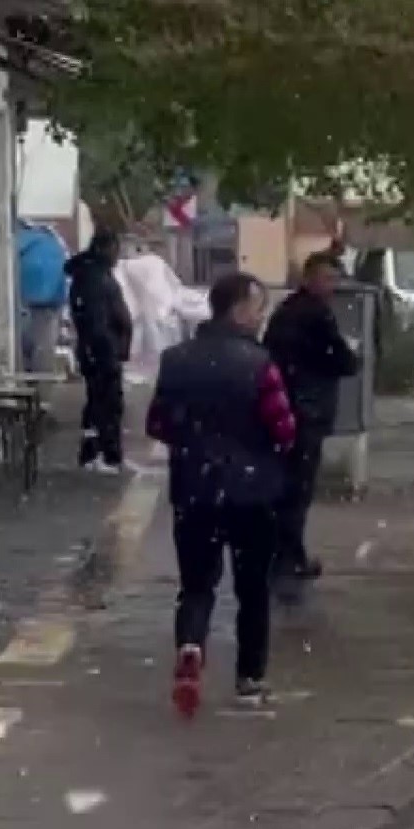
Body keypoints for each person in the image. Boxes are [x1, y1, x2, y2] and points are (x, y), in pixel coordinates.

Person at [146, 272, 297, 715]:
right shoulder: (259, 364)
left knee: (196, 585)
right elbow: (284, 429)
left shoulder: (177, 360)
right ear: (237, 309)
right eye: (257, 307)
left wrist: (195, 444)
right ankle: (250, 680)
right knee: (252, 589)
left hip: (194, 490)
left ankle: (191, 646)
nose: (261, 315)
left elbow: (158, 424)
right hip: (253, 495)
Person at [262, 252, 361, 591]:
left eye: (334, 279)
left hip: (285, 409)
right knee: (298, 488)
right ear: (309, 278)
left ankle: (280, 554)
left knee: (286, 485)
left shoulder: (287, 311)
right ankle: (289, 558)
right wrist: (350, 354)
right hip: (308, 410)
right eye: (326, 279)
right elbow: (343, 361)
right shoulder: (316, 315)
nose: (331, 287)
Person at [65, 230, 134, 471]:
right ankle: (103, 454)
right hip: (101, 350)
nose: (118, 256)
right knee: (105, 402)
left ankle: (99, 452)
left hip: (101, 349)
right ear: (105, 249)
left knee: (101, 401)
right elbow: (96, 319)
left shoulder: (94, 274)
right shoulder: (94, 277)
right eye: (115, 249)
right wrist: (107, 349)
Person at [15, 218, 67, 376]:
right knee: (43, 352)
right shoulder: (54, 243)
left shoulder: (18, 240)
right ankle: (41, 394)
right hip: (49, 306)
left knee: (22, 351)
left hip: (19, 305)